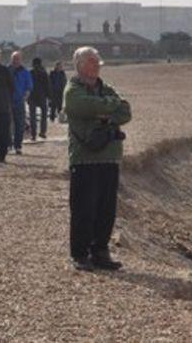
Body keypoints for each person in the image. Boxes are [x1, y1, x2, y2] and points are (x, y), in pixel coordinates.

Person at [65, 46, 132, 272]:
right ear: (80, 64)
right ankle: (80, 254)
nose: (96, 65)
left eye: (97, 61)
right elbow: (80, 106)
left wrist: (101, 111)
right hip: (84, 159)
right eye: (92, 61)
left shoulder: (106, 88)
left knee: (106, 208)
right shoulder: (73, 89)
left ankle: (101, 251)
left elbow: (126, 112)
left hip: (109, 157)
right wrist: (108, 109)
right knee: (84, 208)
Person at [10, 51, 33, 155]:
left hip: (19, 101)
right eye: (14, 58)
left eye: (18, 58)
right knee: (7, 124)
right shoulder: (6, 70)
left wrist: (25, 97)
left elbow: (29, 87)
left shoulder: (25, 72)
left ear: (21, 59)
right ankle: (8, 144)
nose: (16, 60)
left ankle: (18, 145)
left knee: (19, 124)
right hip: (7, 101)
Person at [29, 57, 50, 140]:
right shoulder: (44, 73)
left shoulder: (30, 72)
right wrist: (50, 97)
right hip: (42, 96)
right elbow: (48, 85)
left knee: (32, 116)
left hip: (32, 96)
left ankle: (33, 134)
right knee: (44, 115)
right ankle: (42, 132)